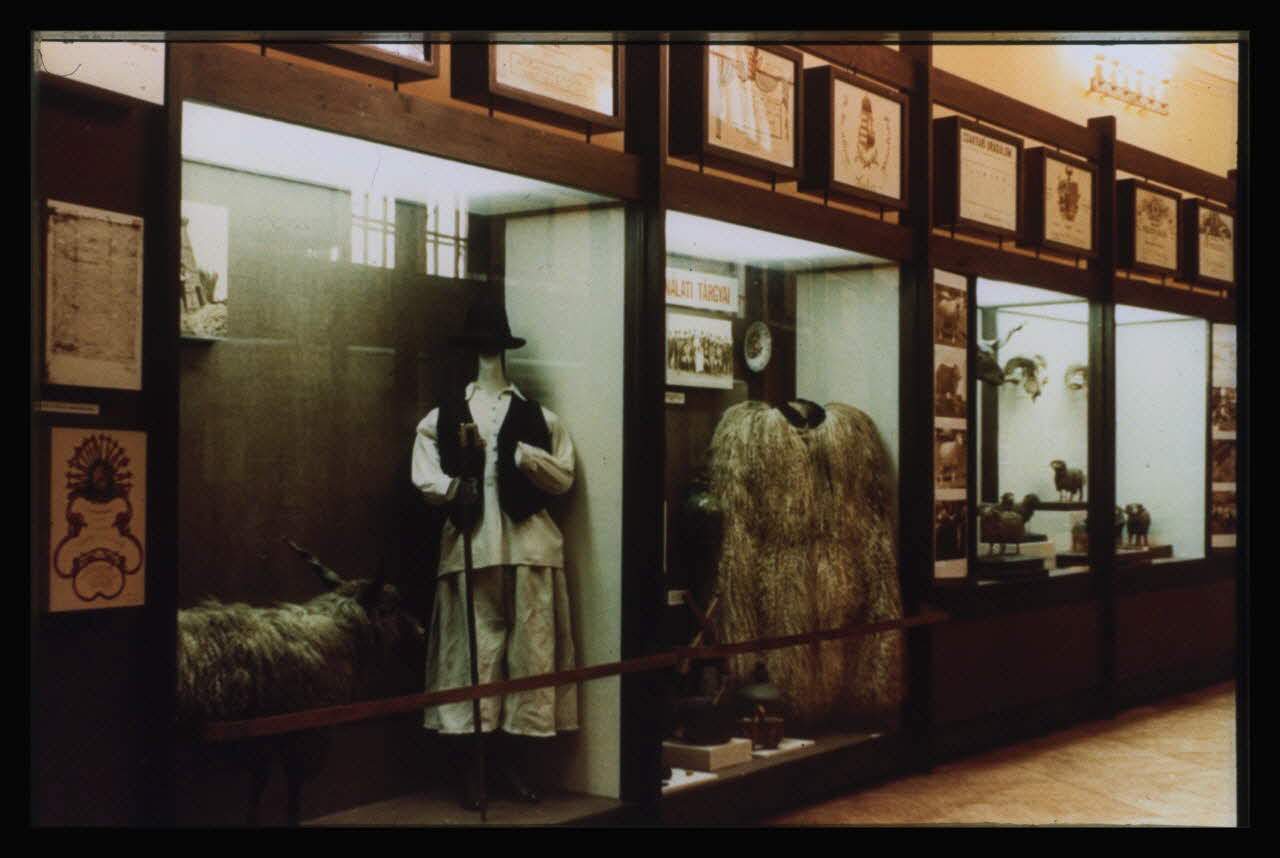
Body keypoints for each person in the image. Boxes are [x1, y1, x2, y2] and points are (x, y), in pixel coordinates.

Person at [411, 301, 578, 809]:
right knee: (473, 657)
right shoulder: (440, 419)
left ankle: (513, 763)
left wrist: (526, 457)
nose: (488, 354)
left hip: (528, 547)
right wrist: (452, 488)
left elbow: (564, 476)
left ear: (504, 350)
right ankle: (475, 767)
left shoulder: (538, 417)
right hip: (470, 546)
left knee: (530, 653)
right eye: (481, 345)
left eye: (494, 345)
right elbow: (425, 477)